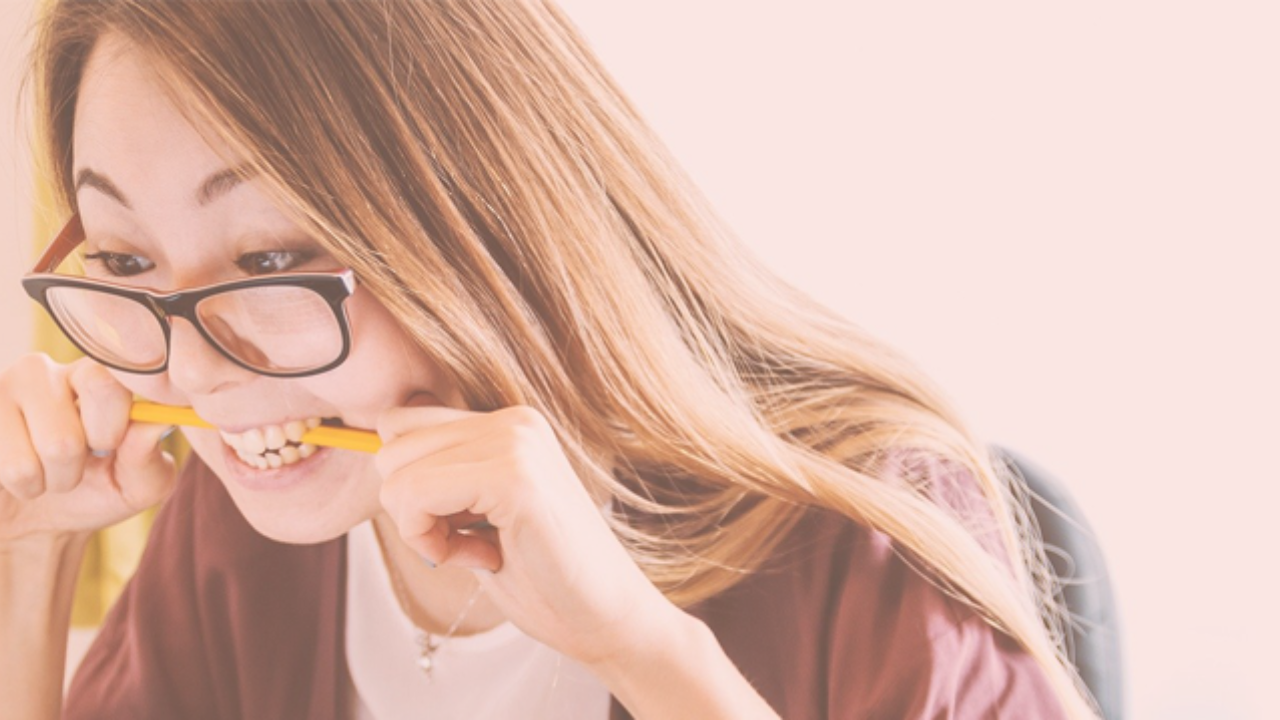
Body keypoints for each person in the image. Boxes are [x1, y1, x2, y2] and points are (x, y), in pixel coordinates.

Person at [0, 2, 1100, 718]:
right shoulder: (254, 522)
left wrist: (636, 648)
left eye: (274, 254)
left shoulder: (860, 539)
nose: (191, 372)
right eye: (128, 257)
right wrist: (32, 558)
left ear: (482, 217)